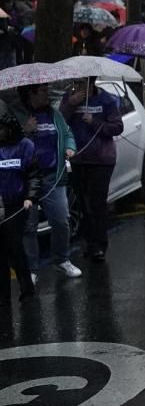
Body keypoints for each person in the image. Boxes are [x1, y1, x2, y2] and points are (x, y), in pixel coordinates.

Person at [14, 84, 80, 279]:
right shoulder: (17, 114)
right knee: (29, 226)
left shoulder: (54, 114)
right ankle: (31, 270)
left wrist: (69, 147)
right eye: (43, 91)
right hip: (28, 179)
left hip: (53, 176)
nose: (47, 94)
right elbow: (8, 142)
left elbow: (67, 134)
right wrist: (24, 131)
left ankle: (61, 260)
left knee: (61, 220)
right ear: (31, 94)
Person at [59, 77, 123, 263]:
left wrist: (94, 121)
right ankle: (89, 242)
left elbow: (117, 127)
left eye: (82, 83)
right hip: (79, 158)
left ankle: (100, 245)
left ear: (91, 83)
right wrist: (70, 104)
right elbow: (60, 121)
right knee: (82, 203)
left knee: (97, 202)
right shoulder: (69, 98)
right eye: (76, 83)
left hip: (101, 159)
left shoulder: (107, 100)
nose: (79, 87)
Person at [0, 112, 40, 307]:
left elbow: (33, 174)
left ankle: (27, 290)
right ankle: (3, 296)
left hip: (18, 204)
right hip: (0, 203)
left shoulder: (25, 146)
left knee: (15, 246)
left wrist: (30, 196)